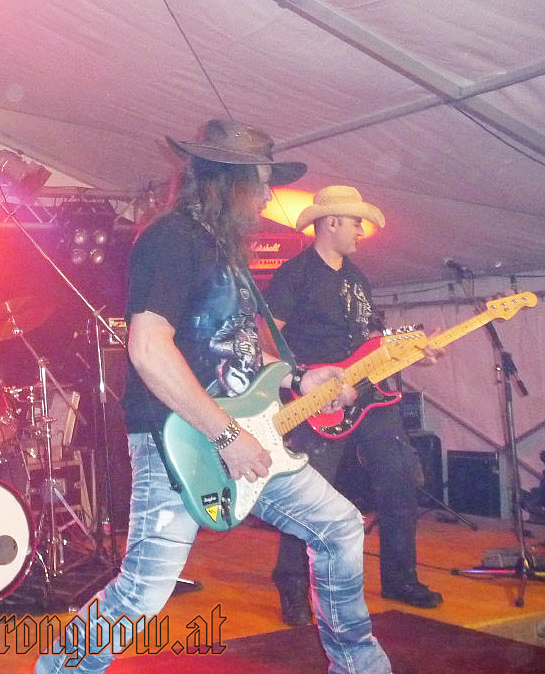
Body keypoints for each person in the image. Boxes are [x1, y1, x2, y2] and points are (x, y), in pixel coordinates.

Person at [35, 120, 391, 674]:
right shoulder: (171, 239)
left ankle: (359, 667)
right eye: (262, 182)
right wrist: (225, 434)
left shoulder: (226, 251)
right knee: (141, 593)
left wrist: (300, 378)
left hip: (249, 436)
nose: (268, 196)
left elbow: (239, 350)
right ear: (228, 179)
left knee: (339, 525)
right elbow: (148, 348)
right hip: (180, 440)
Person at [267, 185, 443, 625]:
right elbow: (266, 338)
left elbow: (370, 341)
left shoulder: (358, 278)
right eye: (356, 222)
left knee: (401, 477)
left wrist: (411, 351)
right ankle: (291, 584)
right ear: (331, 223)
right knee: (307, 495)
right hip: (319, 399)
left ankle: (401, 579)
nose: (362, 231)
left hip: (368, 395)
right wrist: (303, 378)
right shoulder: (294, 275)